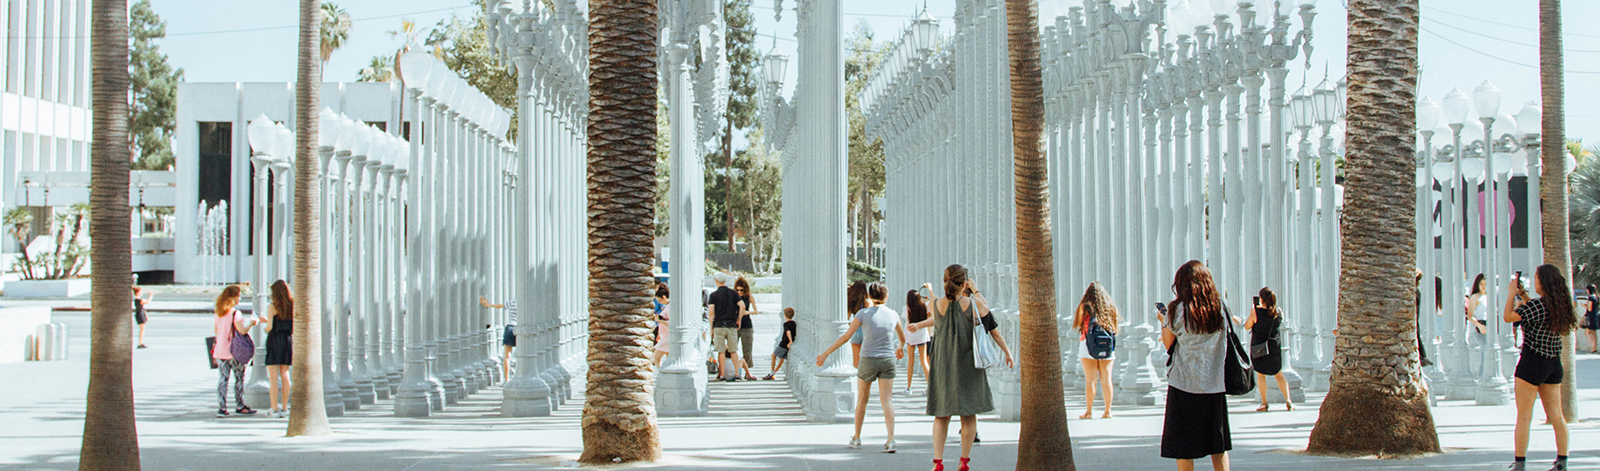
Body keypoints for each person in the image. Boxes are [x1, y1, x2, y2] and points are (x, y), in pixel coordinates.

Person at [906, 264, 1012, 471]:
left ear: (944, 281)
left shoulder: (934, 304)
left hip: (943, 363)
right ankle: (964, 460)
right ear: (964, 283)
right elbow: (993, 328)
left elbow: (935, 321)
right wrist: (1007, 352)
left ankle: (938, 461)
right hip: (968, 363)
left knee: (941, 414)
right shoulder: (974, 305)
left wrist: (918, 326)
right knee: (969, 413)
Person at [1160, 260, 1234, 471]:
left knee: (1183, 448)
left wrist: (1164, 320)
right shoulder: (1219, 306)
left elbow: (1168, 344)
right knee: (1218, 447)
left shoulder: (1176, 309)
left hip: (1183, 384)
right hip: (1214, 383)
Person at [817, 282, 906, 453]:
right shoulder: (893, 315)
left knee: (862, 400)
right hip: (887, 359)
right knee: (887, 400)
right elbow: (902, 338)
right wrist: (900, 347)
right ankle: (891, 439)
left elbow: (846, 337)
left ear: (870, 296)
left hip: (868, 359)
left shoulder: (863, 314)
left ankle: (857, 437)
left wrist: (826, 353)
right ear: (886, 297)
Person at [1503, 264, 1575, 471]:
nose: (1534, 281)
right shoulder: (1560, 305)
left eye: (1535, 278)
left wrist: (1511, 294)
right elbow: (1535, 309)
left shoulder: (1536, 307)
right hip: (1553, 363)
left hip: (1532, 362)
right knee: (1556, 415)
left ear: (1542, 282)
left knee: (1524, 416)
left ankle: (1520, 463)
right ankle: (1562, 461)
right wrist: (1523, 294)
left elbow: (1509, 317)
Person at [212, 285, 265, 418]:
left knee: (223, 379)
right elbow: (242, 330)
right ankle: (240, 405)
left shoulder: (219, 312)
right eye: (238, 295)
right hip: (234, 351)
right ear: (232, 297)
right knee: (239, 378)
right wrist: (253, 323)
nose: (239, 298)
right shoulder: (236, 313)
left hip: (220, 350)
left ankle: (222, 407)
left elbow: (216, 331)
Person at [1073, 281, 1119, 419]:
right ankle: (1108, 411)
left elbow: (1077, 323)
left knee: (1091, 380)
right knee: (1106, 379)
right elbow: (1115, 327)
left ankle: (1088, 412)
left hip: (1088, 345)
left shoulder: (1085, 307)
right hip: (1106, 346)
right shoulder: (1110, 307)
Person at [1246, 287, 1292, 412]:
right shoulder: (1278, 312)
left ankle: (1264, 403)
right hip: (1274, 347)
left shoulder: (1256, 312)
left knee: (1261, 375)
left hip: (1259, 347)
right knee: (1279, 374)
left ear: (1261, 299)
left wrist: (1253, 311)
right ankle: (1288, 400)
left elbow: (1247, 326)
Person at [263, 280, 294, 418]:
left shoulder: (272, 306)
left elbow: (269, 327)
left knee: (273, 377)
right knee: (285, 373)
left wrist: (264, 325)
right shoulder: (291, 305)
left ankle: (274, 408)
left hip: (274, 340)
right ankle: (285, 408)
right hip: (287, 340)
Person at [707, 272, 745, 381]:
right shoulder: (733, 293)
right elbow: (742, 306)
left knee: (721, 351)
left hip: (718, 325)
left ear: (716, 281)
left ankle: (722, 375)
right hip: (731, 325)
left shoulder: (713, 295)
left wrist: (711, 328)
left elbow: (711, 313)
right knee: (733, 351)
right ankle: (737, 374)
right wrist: (739, 320)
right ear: (725, 281)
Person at [902, 289, 932, 395]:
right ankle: (929, 386)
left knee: (911, 362)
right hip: (922, 335)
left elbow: (904, 317)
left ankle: (909, 387)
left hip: (911, 336)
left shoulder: (907, 308)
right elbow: (929, 315)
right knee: (924, 361)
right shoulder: (924, 307)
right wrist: (924, 300)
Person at [479, 295, 517, 379]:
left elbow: (500, 306)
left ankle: (506, 379)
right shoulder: (528, 303)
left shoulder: (514, 301)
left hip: (510, 327)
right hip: (520, 328)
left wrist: (488, 305)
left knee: (507, 355)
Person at [736, 276, 759, 381]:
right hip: (735, 325)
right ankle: (735, 370)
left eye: (742, 290)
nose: (739, 292)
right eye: (738, 290)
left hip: (747, 326)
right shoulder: (734, 297)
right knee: (732, 349)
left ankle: (747, 372)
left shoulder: (749, 297)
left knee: (747, 350)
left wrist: (747, 312)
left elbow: (756, 310)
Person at [764, 307, 797, 380]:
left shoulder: (786, 324)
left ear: (785, 315)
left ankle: (772, 372)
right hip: (786, 344)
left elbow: (788, 332)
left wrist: (790, 341)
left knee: (773, 355)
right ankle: (773, 373)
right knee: (781, 359)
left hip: (784, 343)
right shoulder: (794, 323)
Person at [1467, 273, 1490, 376]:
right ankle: (1482, 376)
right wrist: (1479, 326)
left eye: (1485, 284)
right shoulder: (1475, 297)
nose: (1483, 286)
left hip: (1490, 325)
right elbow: (1470, 315)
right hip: (1480, 326)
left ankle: (1485, 375)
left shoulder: (1489, 296)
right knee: (1485, 352)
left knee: (1486, 354)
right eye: (1481, 284)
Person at [847, 280, 868, 368]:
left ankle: (858, 378)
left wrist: (851, 325)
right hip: (866, 330)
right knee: (866, 357)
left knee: (856, 358)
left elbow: (847, 317)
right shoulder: (867, 301)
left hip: (856, 330)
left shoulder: (852, 301)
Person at [652, 283, 671, 366]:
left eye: (659, 300)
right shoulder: (669, 306)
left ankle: (662, 375)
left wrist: (659, 321)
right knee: (669, 359)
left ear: (663, 297)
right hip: (665, 336)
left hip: (667, 337)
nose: (660, 303)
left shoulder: (670, 307)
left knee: (656, 358)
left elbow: (672, 323)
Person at [1580, 285, 1598, 354]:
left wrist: (1584, 306)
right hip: (1595, 316)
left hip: (1591, 316)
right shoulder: (1596, 296)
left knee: (1587, 332)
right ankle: (1594, 348)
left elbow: (1590, 308)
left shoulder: (1590, 298)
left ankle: (1592, 347)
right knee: (1593, 333)